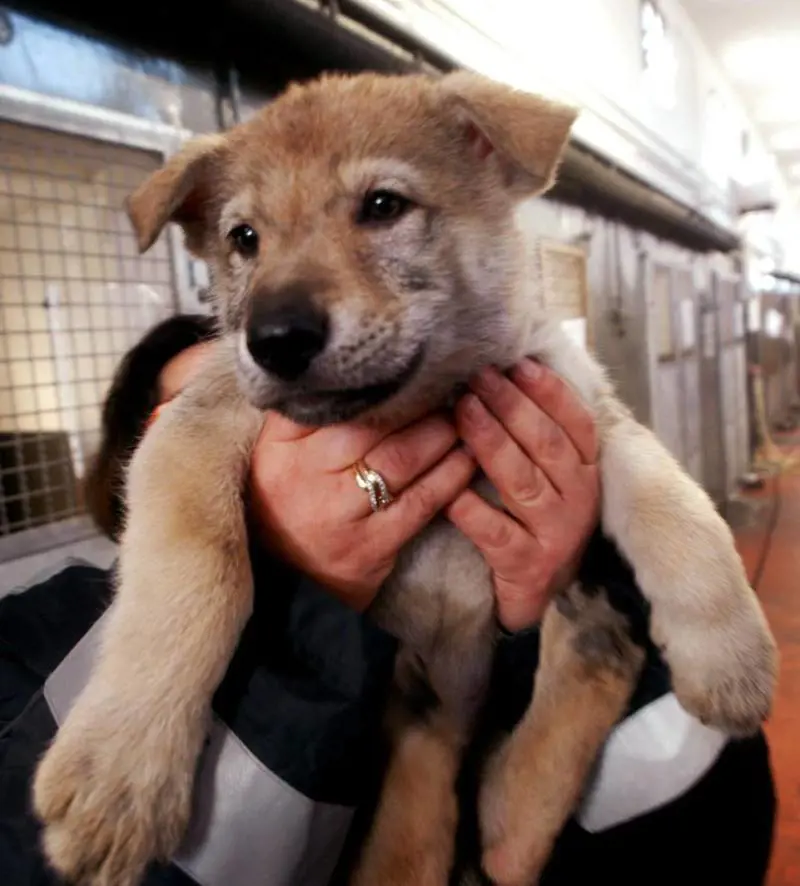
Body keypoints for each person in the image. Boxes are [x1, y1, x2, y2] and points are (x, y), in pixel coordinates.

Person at [0, 316, 776, 886]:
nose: (312, 444)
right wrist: (299, 595)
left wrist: (545, 602)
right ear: (158, 450)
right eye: (257, 424)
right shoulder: (43, 634)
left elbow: (720, 831)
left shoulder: (502, 549)